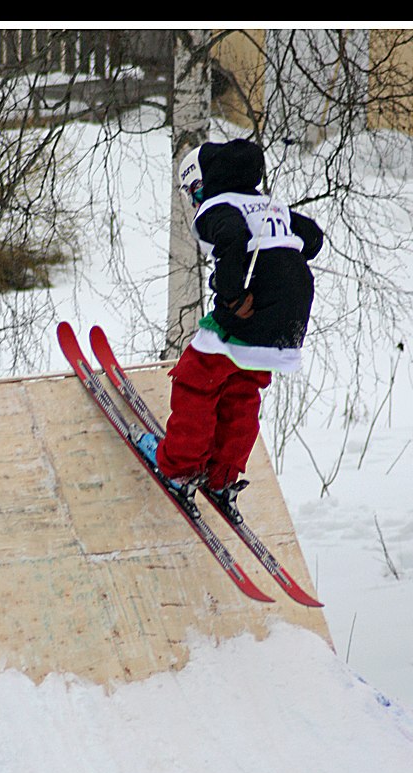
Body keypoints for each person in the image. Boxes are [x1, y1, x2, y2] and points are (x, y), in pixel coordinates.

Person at [135, 138, 323, 516]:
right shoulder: (270, 204)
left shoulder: (217, 207)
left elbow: (233, 237)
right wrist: (279, 264)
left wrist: (233, 293)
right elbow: (313, 238)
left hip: (249, 308)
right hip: (292, 309)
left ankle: (180, 467)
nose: (194, 201)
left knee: (196, 377)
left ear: (204, 182)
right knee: (242, 386)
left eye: (193, 191)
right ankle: (222, 475)